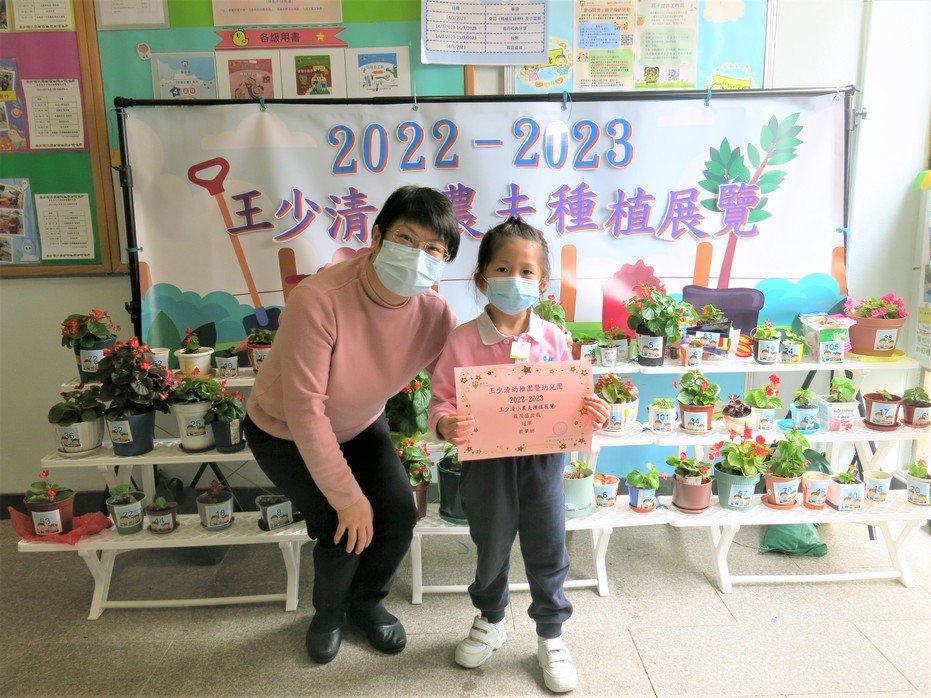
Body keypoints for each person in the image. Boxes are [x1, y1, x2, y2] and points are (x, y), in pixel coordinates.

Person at [244, 185, 461, 664]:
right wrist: (348, 499)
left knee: (398, 515)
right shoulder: (319, 299)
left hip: (361, 423)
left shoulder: (434, 313)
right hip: (284, 430)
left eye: (434, 249)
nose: (418, 255)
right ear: (377, 237)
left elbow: (455, 382)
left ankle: (366, 604)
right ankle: (328, 615)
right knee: (341, 526)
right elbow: (306, 412)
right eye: (406, 239)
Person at [428, 217, 609, 693]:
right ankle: (491, 619)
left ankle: (551, 633)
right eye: (503, 269)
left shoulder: (554, 338)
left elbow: (572, 398)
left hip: (543, 463)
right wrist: (446, 422)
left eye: (527, 271)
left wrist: (593, 410)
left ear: (543, 283)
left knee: (548, 544)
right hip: (485, 464)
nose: (515, 280)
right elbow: (442, 400)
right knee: (490, 543)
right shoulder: (462, 339)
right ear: (482, 278)